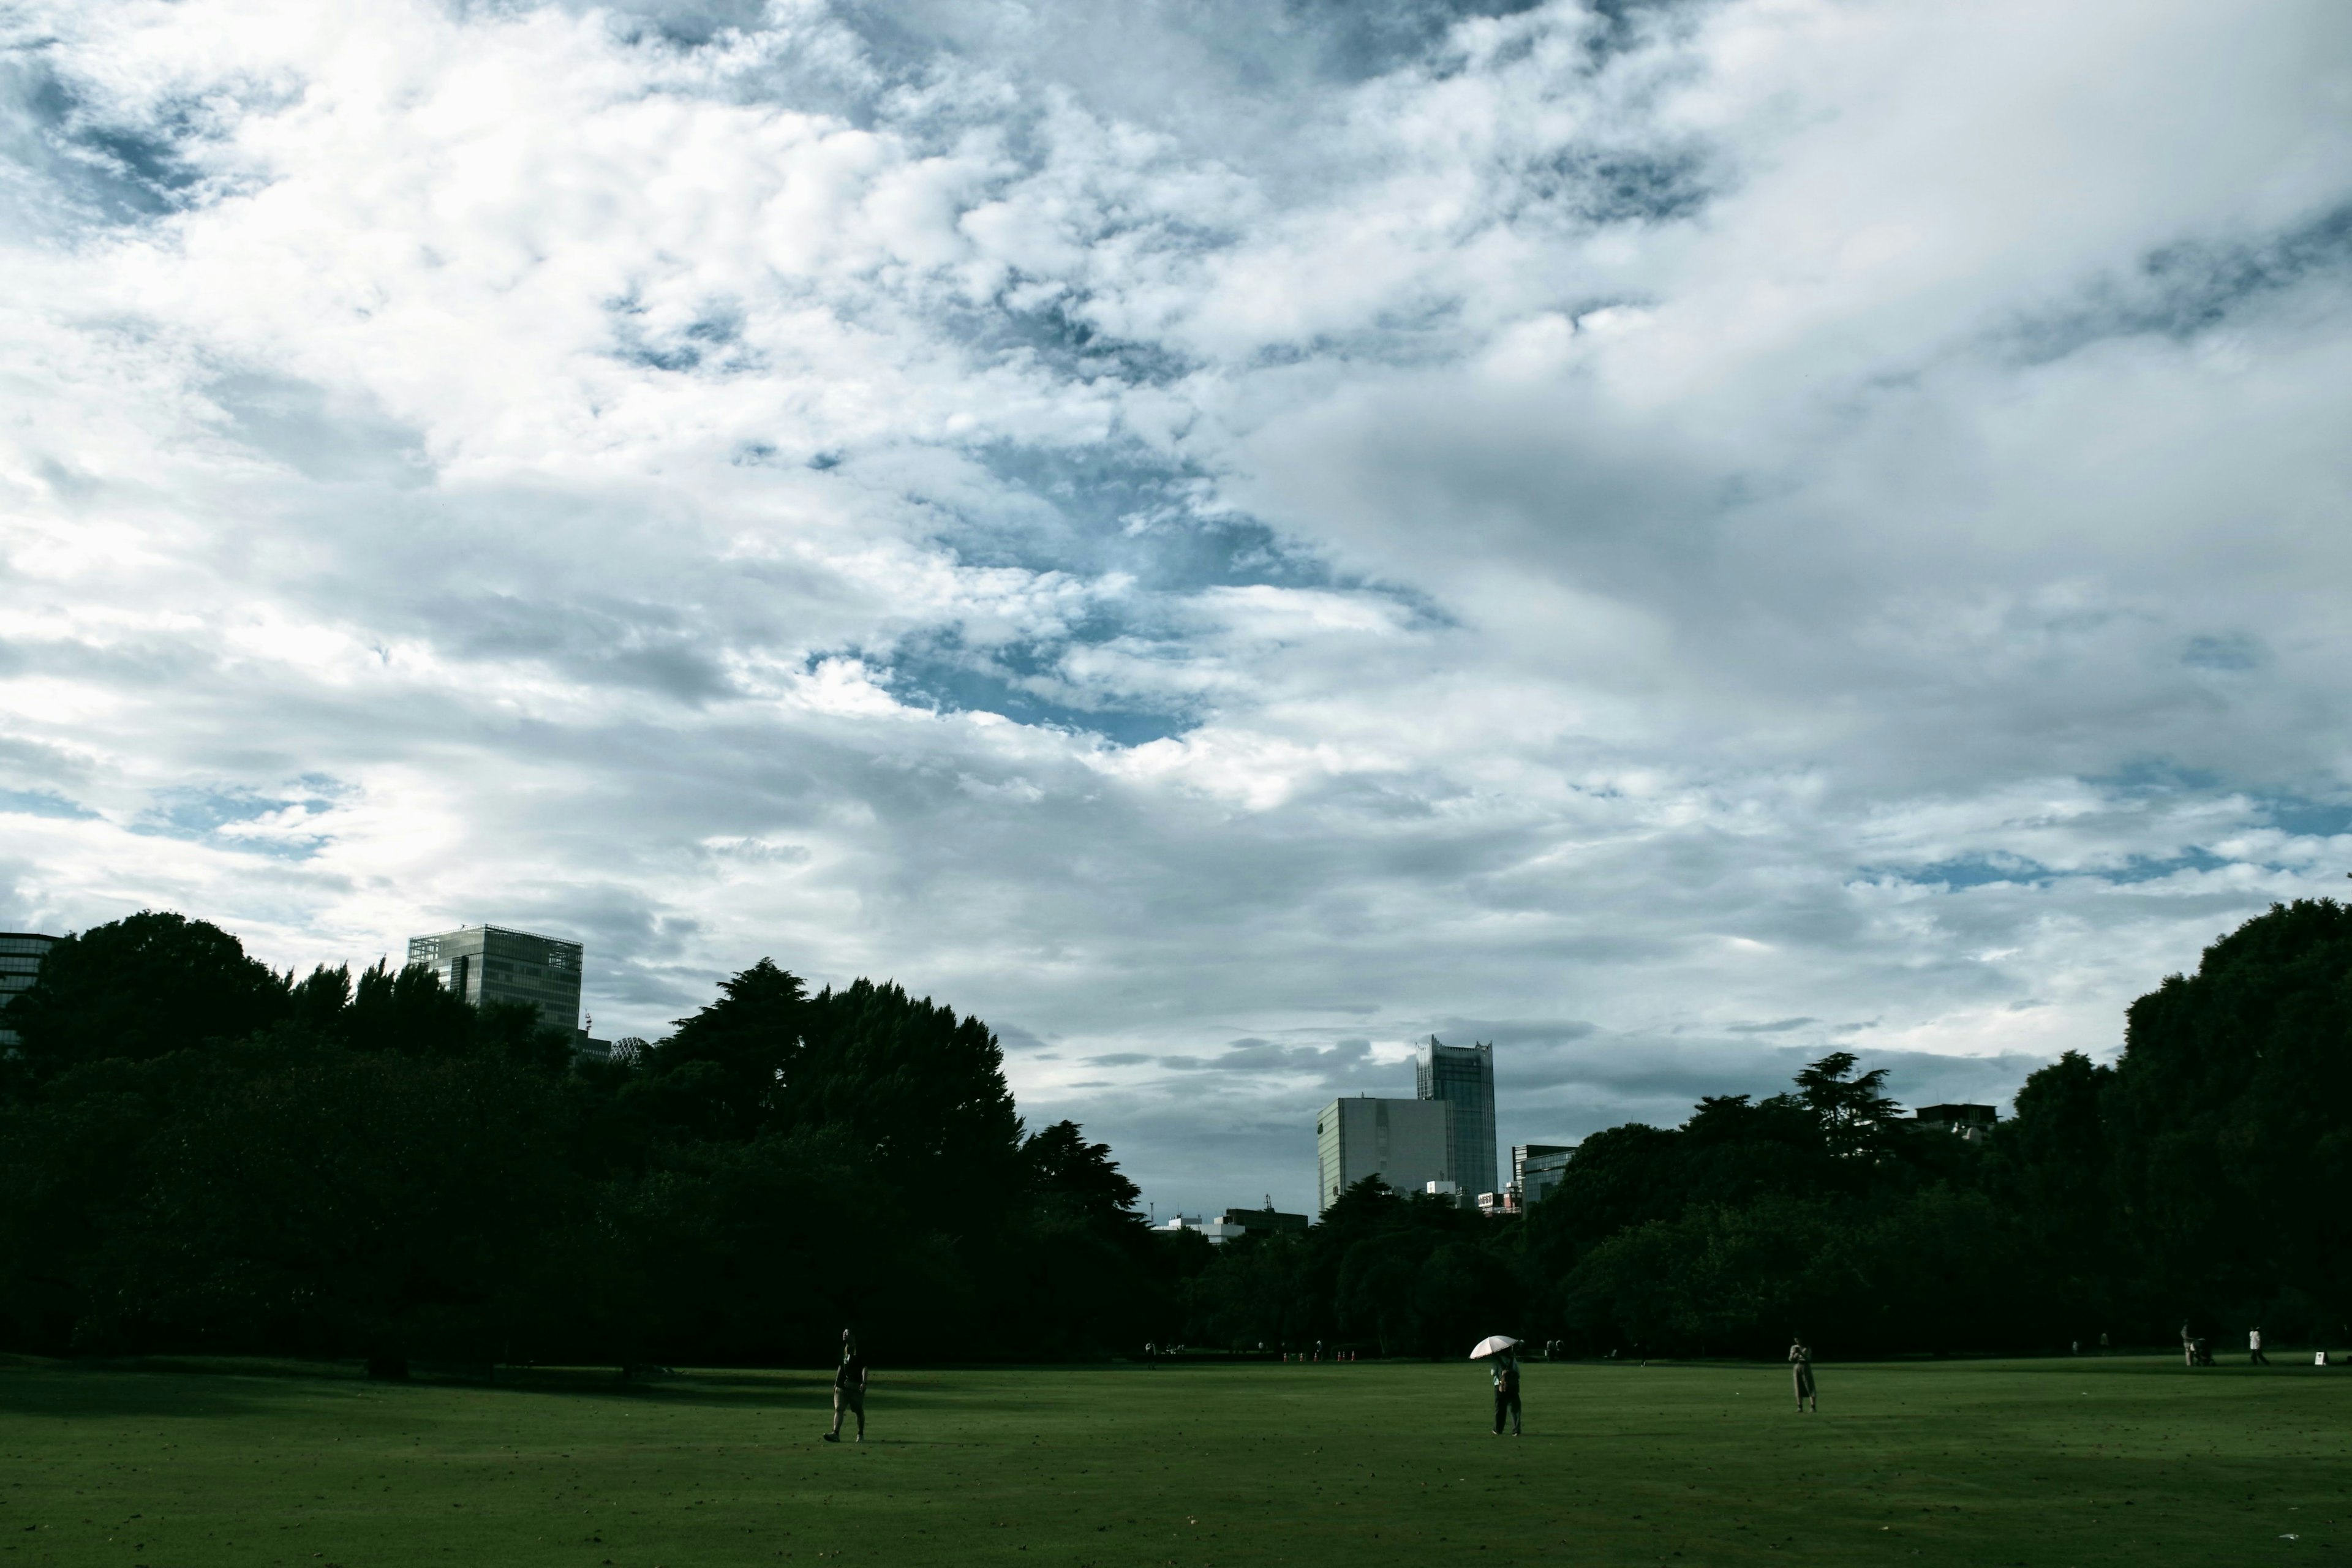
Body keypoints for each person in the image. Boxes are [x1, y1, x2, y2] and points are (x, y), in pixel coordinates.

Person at [824, 1329, 867, 1444]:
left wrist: (864, 1382)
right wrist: (836, 1383)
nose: (844, 1334)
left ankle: (860, 1433)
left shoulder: (859, 1351)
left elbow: (864, 1367)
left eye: (847, 1333)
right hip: (842, 1387)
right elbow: (840, 1366)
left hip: (855, 1387)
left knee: (858, 1411)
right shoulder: (843, 1350)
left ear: (853, 1336)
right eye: (843, 1333)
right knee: (839, 1409)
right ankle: (835, 1433)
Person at [1491, 1347, 1523, 1436]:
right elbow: (1518, 1373)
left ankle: (1498, 1429)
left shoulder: (1497, 1360)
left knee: (1500, 1409)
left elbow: (1493, 1373)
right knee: (1515, 1409)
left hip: (1500, 1386)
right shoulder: (1513, 1359)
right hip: (1513, 1386)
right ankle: (1516, 1430)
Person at [1789, 1338, 1817, 1413]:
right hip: (1797, 1366)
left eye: (1799, 1339)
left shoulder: (1807, 1348)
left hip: (1805, 1366)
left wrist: (1801, 1353)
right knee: (1798, 1386)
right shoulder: (1793, 1347)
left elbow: (1809, 1359)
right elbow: (1790, 1359)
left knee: (1809, 1386)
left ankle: (1813, 1407)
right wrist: (1795, 1354)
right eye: (1796, 1340)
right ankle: (1800, 1407)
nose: (1798, 1341)